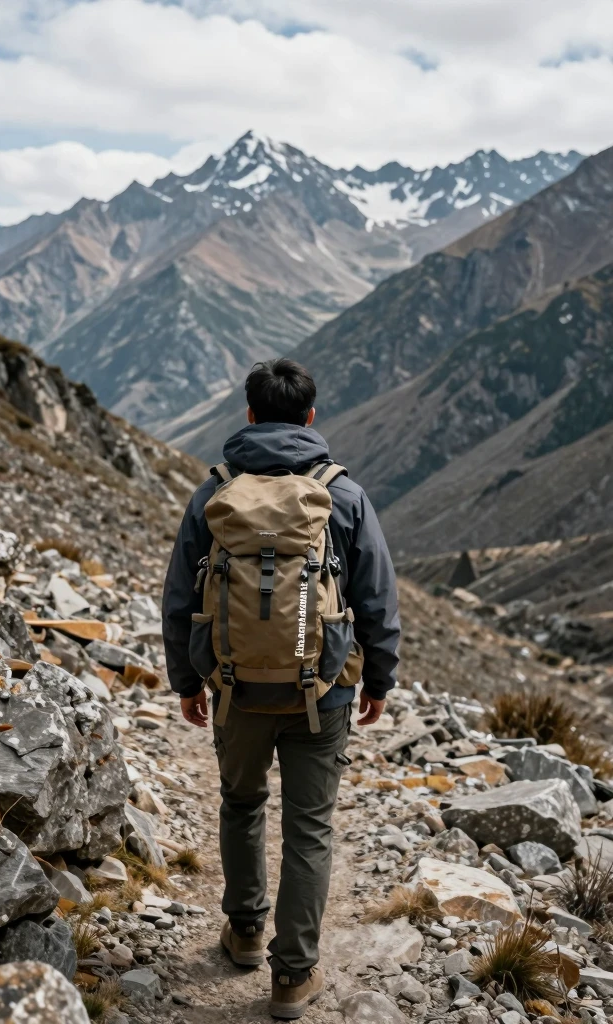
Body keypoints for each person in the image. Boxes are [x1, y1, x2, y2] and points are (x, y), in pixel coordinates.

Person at [162, 358, 400, 1019]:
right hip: (320, 692)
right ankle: (293, 976)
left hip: (234, 689)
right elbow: (376, 596)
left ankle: (242, 933)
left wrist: (188, 680)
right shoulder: (343, 495)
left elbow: (181, 597)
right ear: (311, 419)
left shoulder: (213, 492)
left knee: (241, 805)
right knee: (310, 828)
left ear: (247, 415)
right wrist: (378, 678)